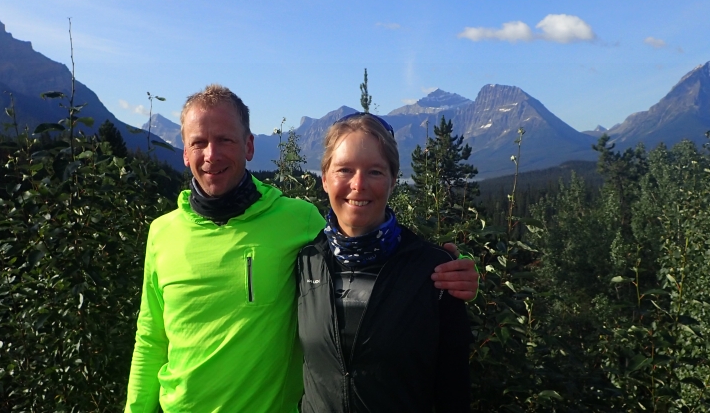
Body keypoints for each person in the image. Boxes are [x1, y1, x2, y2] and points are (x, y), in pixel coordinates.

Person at [124, 84, 477, 413]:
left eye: (225, 140)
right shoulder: (162, 233)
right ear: (184, 152)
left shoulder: (299, 221)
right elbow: (151, 338)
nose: (211, 154)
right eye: (198, 142)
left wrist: (460, 268)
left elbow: (366, 230)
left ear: (248, 146)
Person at [296, 113, 472, 412]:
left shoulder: (435, 271)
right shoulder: (306, 262)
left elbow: (454, 390)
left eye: (375, 172)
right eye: (344, 170)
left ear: (393, 180)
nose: (358, 184)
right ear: (324, 179)